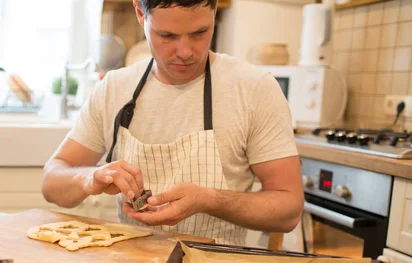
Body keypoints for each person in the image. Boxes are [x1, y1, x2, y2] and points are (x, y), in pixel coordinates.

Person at [42, 0, 303, 245]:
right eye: (167, 36)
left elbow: (288, 210)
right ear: (140, 13)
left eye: (200, 33)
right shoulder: (114, 88)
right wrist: (90, 178)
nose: (185, 52)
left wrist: (209, 200)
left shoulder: (253, 88)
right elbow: (52, 183)